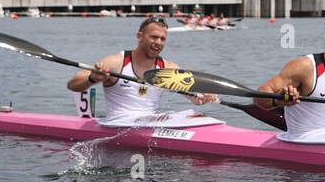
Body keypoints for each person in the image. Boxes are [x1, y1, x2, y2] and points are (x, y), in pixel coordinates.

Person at [66, 16, 218, 120]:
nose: (158, 42)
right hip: (118, 124)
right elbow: (73, 84)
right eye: (153, 37)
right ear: (139, 36)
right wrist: (93, 78)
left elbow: (194, 97)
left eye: (162, 39)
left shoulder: (168, 69)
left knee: (197, 116)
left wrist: (203, 96)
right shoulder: (117, 62)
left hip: (149, 122)